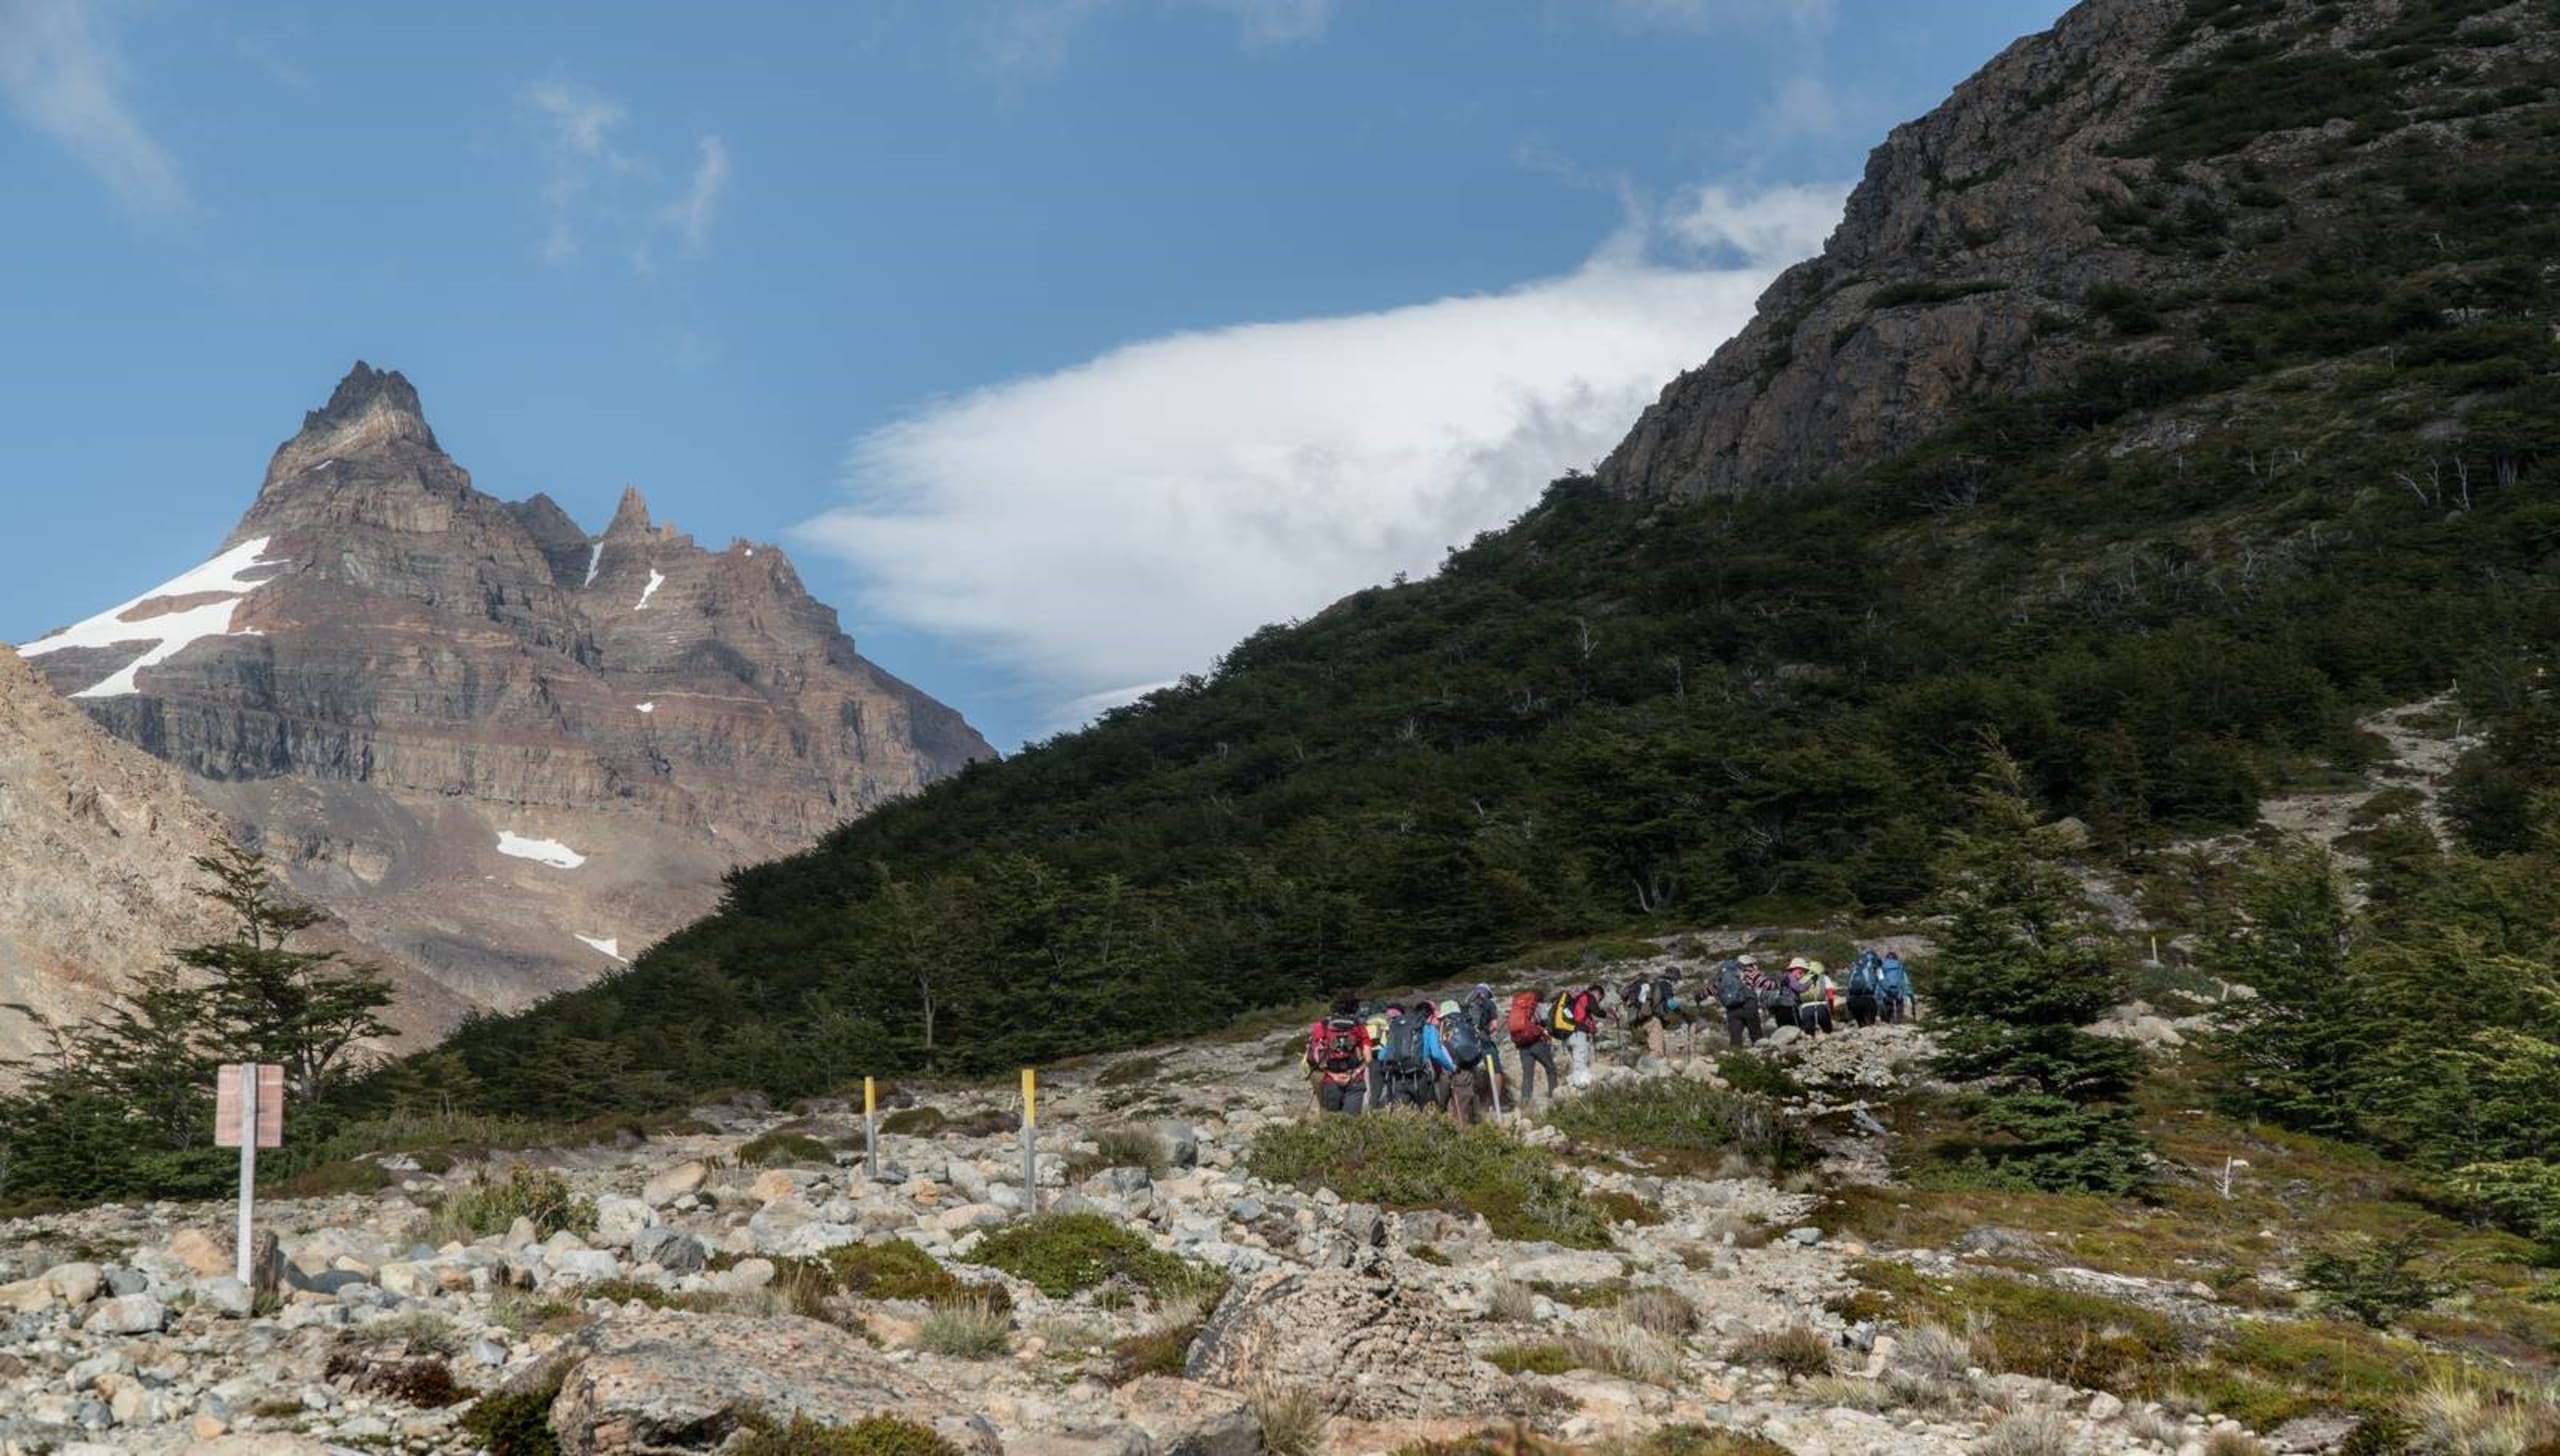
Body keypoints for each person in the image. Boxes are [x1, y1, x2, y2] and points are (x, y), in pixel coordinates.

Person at [1306, 991, 1373, 1114]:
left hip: (1330, 1080)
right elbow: (1368, 1058)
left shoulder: (1322, 1026)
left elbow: (1314, 1058)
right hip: (1355, 1079)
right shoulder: (1359, 1027)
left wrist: (1333, 1075)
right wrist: (1355, 1073)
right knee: (1351, 1122)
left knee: (1333, 1122)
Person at [1437, 999, 1492, 1124]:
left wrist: (1449, 1066)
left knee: (1452, 1106)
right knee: (1465, 1104)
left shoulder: (1444, 1025)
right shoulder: (1467, 1022)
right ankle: (1472, 1128)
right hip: (1469, 1067)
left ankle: (1462, 1136)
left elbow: (1441, 1048)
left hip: (1451, 1069)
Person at [1508, 989, 1560, 1108]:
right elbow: (1545, 1020)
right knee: (1550, 1068)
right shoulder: (1537, 1005)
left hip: (1522, 1044)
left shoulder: (1518, 1007)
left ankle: (1525, 1103)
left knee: (1527, 1074)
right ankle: (1555, 1096)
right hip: (1536, 1042)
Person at [1552, 982, 1606, 1088]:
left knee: (1575, 1062)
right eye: (1600, 998)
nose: (1599, 1001)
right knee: (1581, 1061)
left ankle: (1574, 1085)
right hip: (1578, 1034)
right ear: (1597, 993)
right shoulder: (1588, 996)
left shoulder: (1576, 1001)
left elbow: (1582, 1017)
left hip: (1567, 1035)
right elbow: (1597, 1011)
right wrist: (1607, 1014)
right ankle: (1582, 1086)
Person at [1465, 982, 1509, 1110]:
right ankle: (1495, 1104)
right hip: (1483, 1040)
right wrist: (1504, 1021)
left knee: (1469, 1072)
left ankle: (1471, 1106)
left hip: (1468, 1041)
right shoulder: (1489, 1003)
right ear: (1488, 993)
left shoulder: (1467, 1003)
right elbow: (1493, 1027)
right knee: (1496, 1071)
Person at [1415, 999, 1460, 1111]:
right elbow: (1436, 1053)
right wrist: (1451, 1067)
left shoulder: (1410, 1027)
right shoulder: (1429, 1028)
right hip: (1423, 1072)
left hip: (1402, 1073)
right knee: (1430, 1107)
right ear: (1430, 1015)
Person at [1713, 958, 1763, 1049]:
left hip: (1732, 1009)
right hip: (1748, 1006)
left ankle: (1735, 1057)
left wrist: (1698, 998)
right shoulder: (1749, 973)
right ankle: (1761, 1055)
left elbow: (1710, 990)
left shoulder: (1722, 979)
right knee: (1756, 1035)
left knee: (1735, 1038)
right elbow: (1765, 984)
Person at [1844, 950, 1881, 1029]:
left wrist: (1848, 1003)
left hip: (1854, 1000)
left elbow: (1848, 986)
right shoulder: (1875, 968)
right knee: (1870, 1026)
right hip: (1869, 999)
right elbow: (1880, 984)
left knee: (1861, 1025)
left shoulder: (1855, 967)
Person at [1879, 953, 1913, 1023]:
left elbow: (1880, 979)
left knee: (1887, 1003)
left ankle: (1887, 1020)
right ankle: (1898, 1020)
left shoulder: (1882, 965)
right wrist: (1908, 991)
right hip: (1898, 989)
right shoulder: (1899, 965)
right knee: (1899, 1003)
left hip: (1886, 989)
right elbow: (1904, 978)